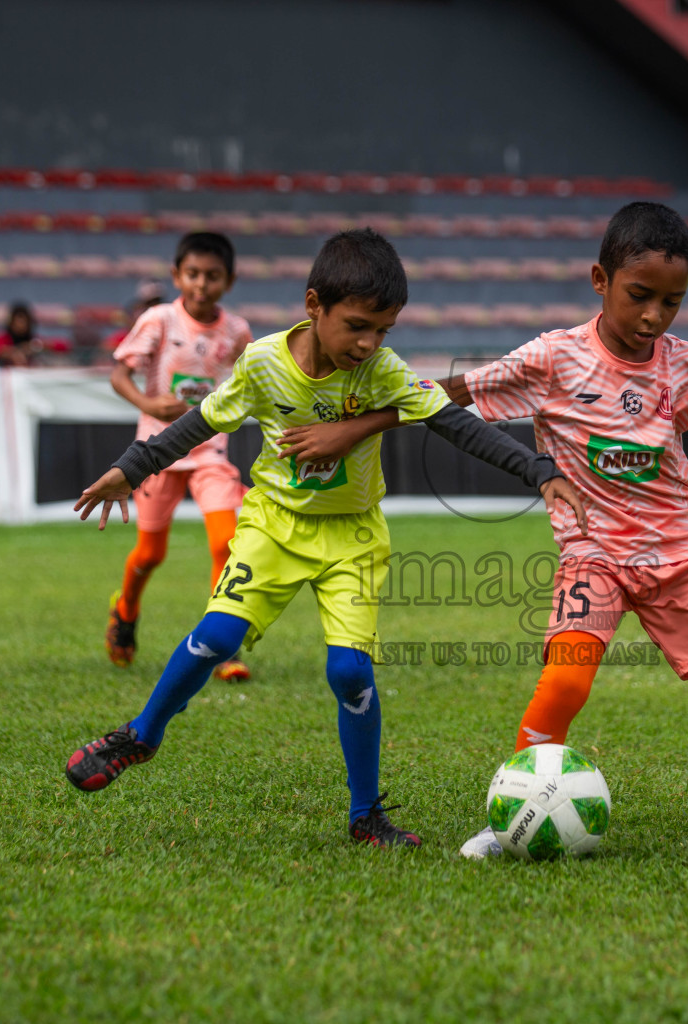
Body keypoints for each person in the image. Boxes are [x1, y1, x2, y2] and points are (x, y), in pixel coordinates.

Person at [296, 203, 688, 857]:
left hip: (680, 556)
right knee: (564, 683)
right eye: (640, 296)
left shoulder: (685, 367)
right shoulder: (555, 358)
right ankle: (507, 815)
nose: (654, 316)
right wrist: (352, 427)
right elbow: (447, 393)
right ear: (600, 280)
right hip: (591, 556)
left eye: (672, 302)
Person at [63, 228, 587, 849]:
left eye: (384, 331)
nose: (369, 344)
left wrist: (540, 470)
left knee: (349, 673)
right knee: (216, 636)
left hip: (353, 539)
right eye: (358, 326)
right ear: (315, 305)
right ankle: (142, 735)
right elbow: (200, 422)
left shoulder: (382, 373)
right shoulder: (262, 363)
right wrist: (131, 467)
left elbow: (456, 425)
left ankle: (366, 815)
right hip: (274, 527)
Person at [106, 233, 255, 682]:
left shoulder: (237, 332)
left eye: (212, 276)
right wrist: (148, 405)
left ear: (228, 281)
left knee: (225, 544)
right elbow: (119, 374)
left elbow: (256, 382)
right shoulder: (158, 320)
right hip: (156, 453)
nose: (201, 284)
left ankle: (221, 646)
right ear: (177, 276)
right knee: (150, 554)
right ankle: (126, 608)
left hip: (209, 452)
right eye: (193, 274)